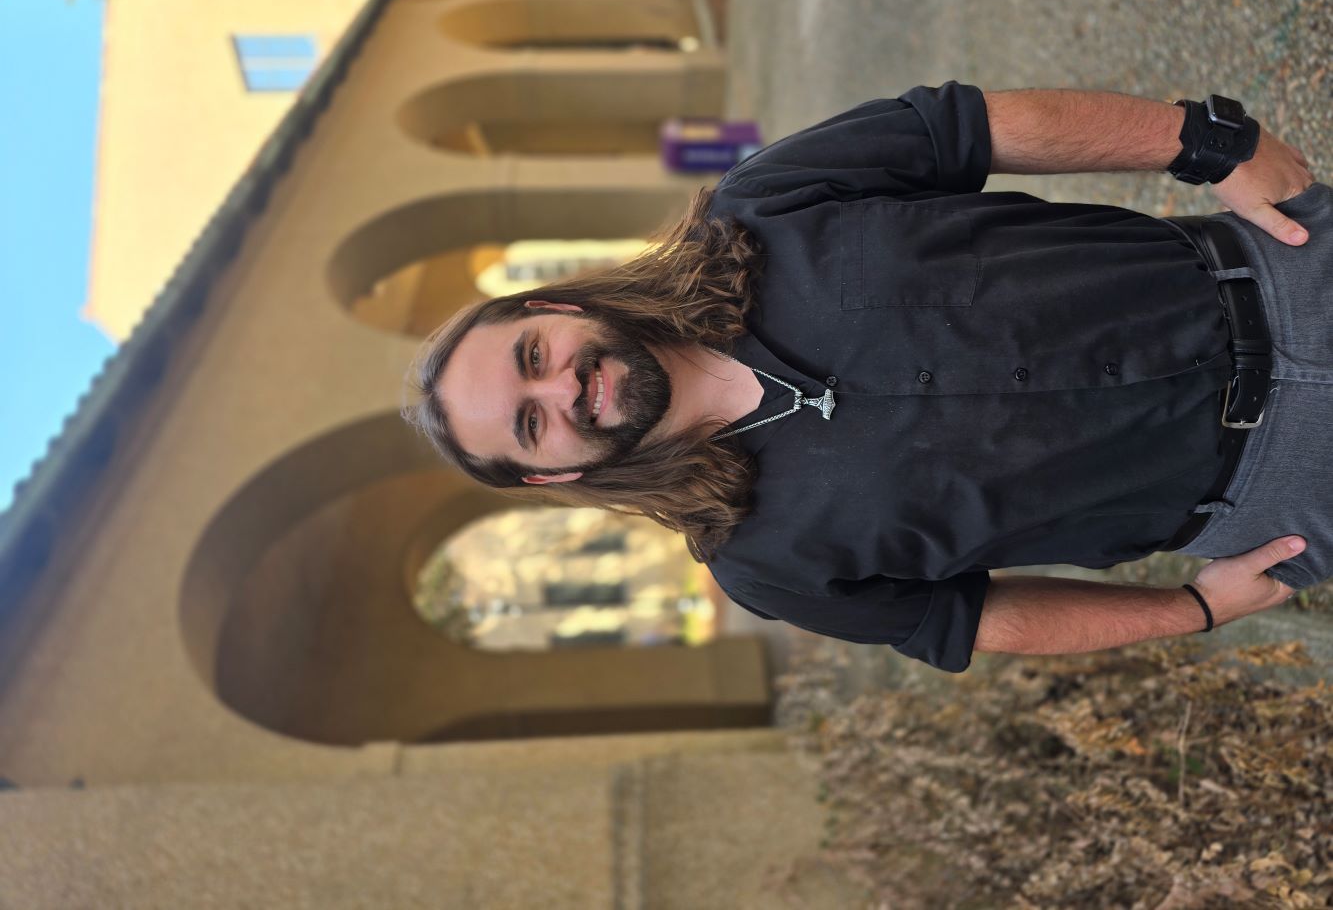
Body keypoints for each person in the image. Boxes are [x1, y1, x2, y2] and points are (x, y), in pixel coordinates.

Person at [404, 82, 1326, 672]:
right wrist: (1191, 610)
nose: (562, 389)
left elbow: (976, 127)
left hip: (1282, 277)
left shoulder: (759, 205)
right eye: (530, 422)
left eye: (532, 358)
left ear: (553, 309)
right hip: (1283, 495)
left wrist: (1212, 144)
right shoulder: (764, 567)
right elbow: (977, 622)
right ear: (553, 474)